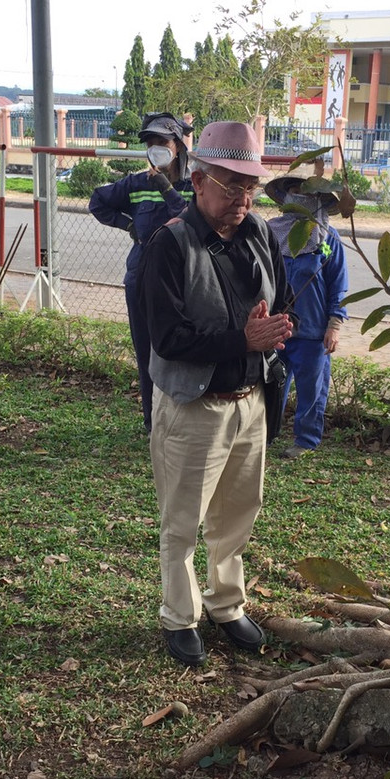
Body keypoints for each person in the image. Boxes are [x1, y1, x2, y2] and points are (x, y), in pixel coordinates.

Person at [139, 121, 294, 667]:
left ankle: (226, 603)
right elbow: (168, 338)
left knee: (238, 512)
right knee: (183, 519)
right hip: (193, 406)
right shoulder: (170, 243)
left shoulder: (257, 233)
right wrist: (242, 338)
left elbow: (285, 298)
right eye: (232, 186)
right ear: (199, 181)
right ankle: (180, 616)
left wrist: (277, 326)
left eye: (250, 187)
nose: (243, 199)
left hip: (249, 399)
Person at [89, 112, 194, 433]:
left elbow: (191, 222)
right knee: (147, 352)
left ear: (177, 146)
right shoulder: (135, 184)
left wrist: (166, 189)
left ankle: (184, 419)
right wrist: (129, 224)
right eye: (150, 144)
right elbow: (98, 202)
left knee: (183, 351)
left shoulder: (196, 185)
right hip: (142, 281)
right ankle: (153, 424)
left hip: (185, 283)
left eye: (161, 142)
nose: (155, 149)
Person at [264, 159, 348, 459]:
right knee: (271, 385)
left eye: (307, 192)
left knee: (312, 390)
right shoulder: (270, 234)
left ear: (318, 200)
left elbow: (338, 282)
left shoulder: (327, 240)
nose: (301, 196)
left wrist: (334, 325)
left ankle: (306, 440)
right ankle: (265, 434)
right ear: (287, 196)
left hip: (312, 331)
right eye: (296, 190)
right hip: (275, 328)